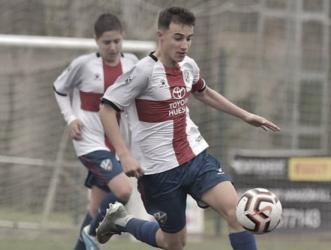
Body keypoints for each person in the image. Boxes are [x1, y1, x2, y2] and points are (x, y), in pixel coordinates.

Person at [97, 6, 280, 250]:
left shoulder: (188, 66)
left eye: (189, 38)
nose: (184, 45)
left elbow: (204, 93)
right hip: (159, 172)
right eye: (178, 38)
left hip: (195, 158)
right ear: (161, 35)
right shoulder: (143, 72)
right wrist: (124, 154)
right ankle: (121, 220)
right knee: (173, 243)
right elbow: (106, 109)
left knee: (237, 215)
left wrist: (245, 115)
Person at [53, 13, 138, 250]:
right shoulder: (83, 65)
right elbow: (59, 89)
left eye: (117, 41)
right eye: (106, 42)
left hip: (114, 145)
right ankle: (93, 234)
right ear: (96, 41)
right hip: (88, 142)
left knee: (94, 210)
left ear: (123, 38)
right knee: (123, 190)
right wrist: (70, 119)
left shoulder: (132, 63)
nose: (112, 47)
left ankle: (86, 239)